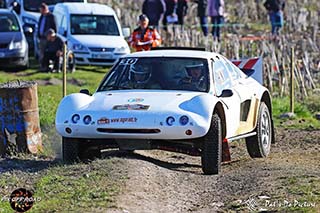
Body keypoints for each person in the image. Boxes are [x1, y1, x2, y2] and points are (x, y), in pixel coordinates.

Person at [37, 3, 57, 71]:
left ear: (45, 9)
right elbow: (39, 26)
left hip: (48, 38)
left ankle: (46, 66)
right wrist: (39, 35)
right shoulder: (41, 17)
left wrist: (52, 37)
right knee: (41, 52)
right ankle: (41, 66)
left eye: (42, 10)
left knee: (47, 53)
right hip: (42, 38)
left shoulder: (51, 17)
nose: (41, 12)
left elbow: (55, 28)